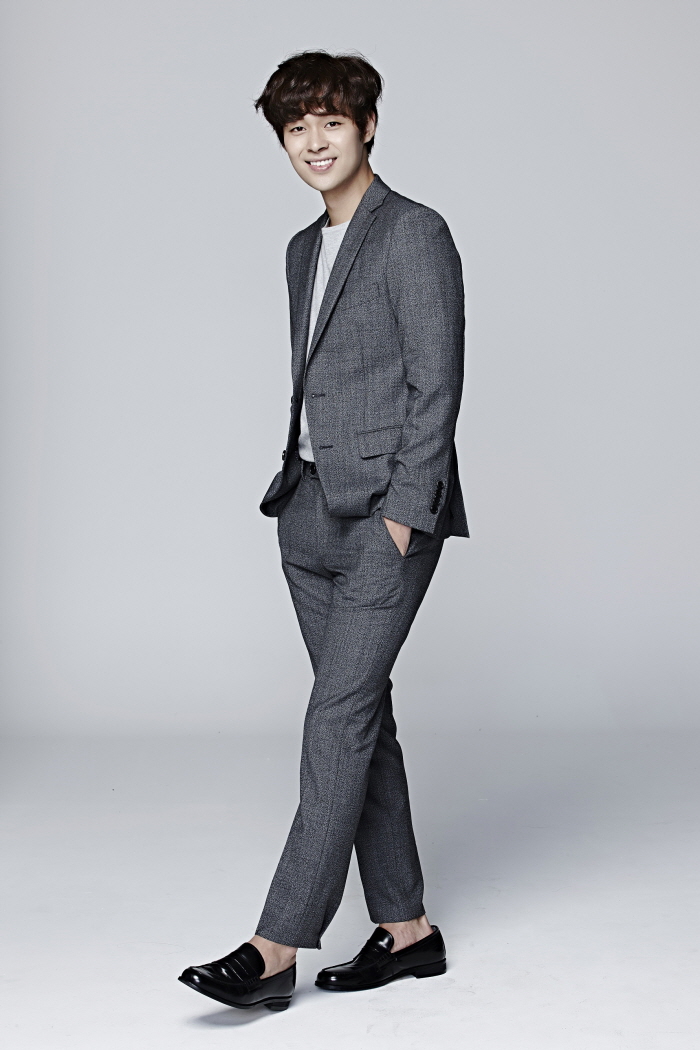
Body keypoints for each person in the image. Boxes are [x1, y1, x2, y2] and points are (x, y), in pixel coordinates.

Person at [179, 50, 468, 1013]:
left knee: (334, 719)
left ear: (368, 125)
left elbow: (436, 385)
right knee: (362, 716)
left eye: (331, 121)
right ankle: (408, 930)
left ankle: (274, 947)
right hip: (306, 512)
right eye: (296, 127)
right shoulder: (302, 249)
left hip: (387, 516)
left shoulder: (415, 232)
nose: (313, 141)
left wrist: (404, 516)